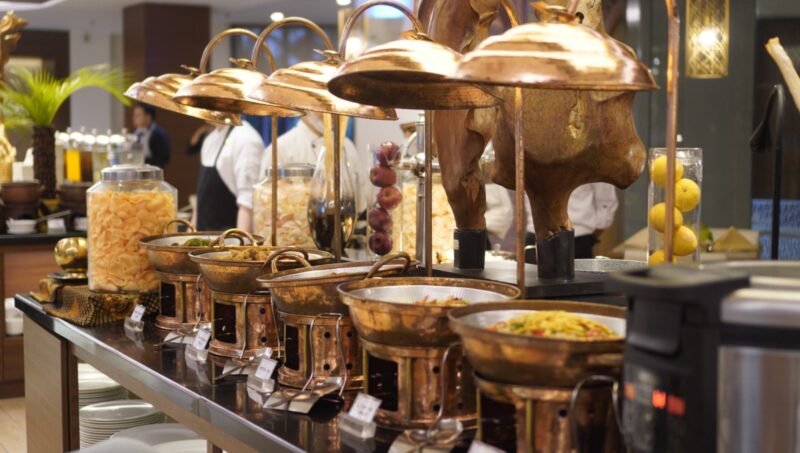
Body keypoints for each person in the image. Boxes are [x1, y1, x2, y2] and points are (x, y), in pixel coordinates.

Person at [259, 112, 368, 219]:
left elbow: (361, 205)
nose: (331, 113)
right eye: (323, 106)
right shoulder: (280, 149)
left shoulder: (348, 147)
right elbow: (265, 208)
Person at [192, 121, 264, 231]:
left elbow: (248, 201)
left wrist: (240, 241)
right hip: (204, 237)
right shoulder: (209, 139)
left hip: (230, 238)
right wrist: (190, 233)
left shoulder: (246, 139)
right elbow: (201, 196)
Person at [522, 183, 619, 259]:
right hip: (535, 236)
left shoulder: (592, 162)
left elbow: (606, 201)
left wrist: (591, 236)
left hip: (578, 240)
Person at [132, 103, 171, 168]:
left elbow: (163, 159)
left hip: (152, 170)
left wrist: (142, 160)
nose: (134, 118)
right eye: (134, 115)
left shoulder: (159, 134)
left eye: (138, 115)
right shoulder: (135, 133)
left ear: (148, 117)